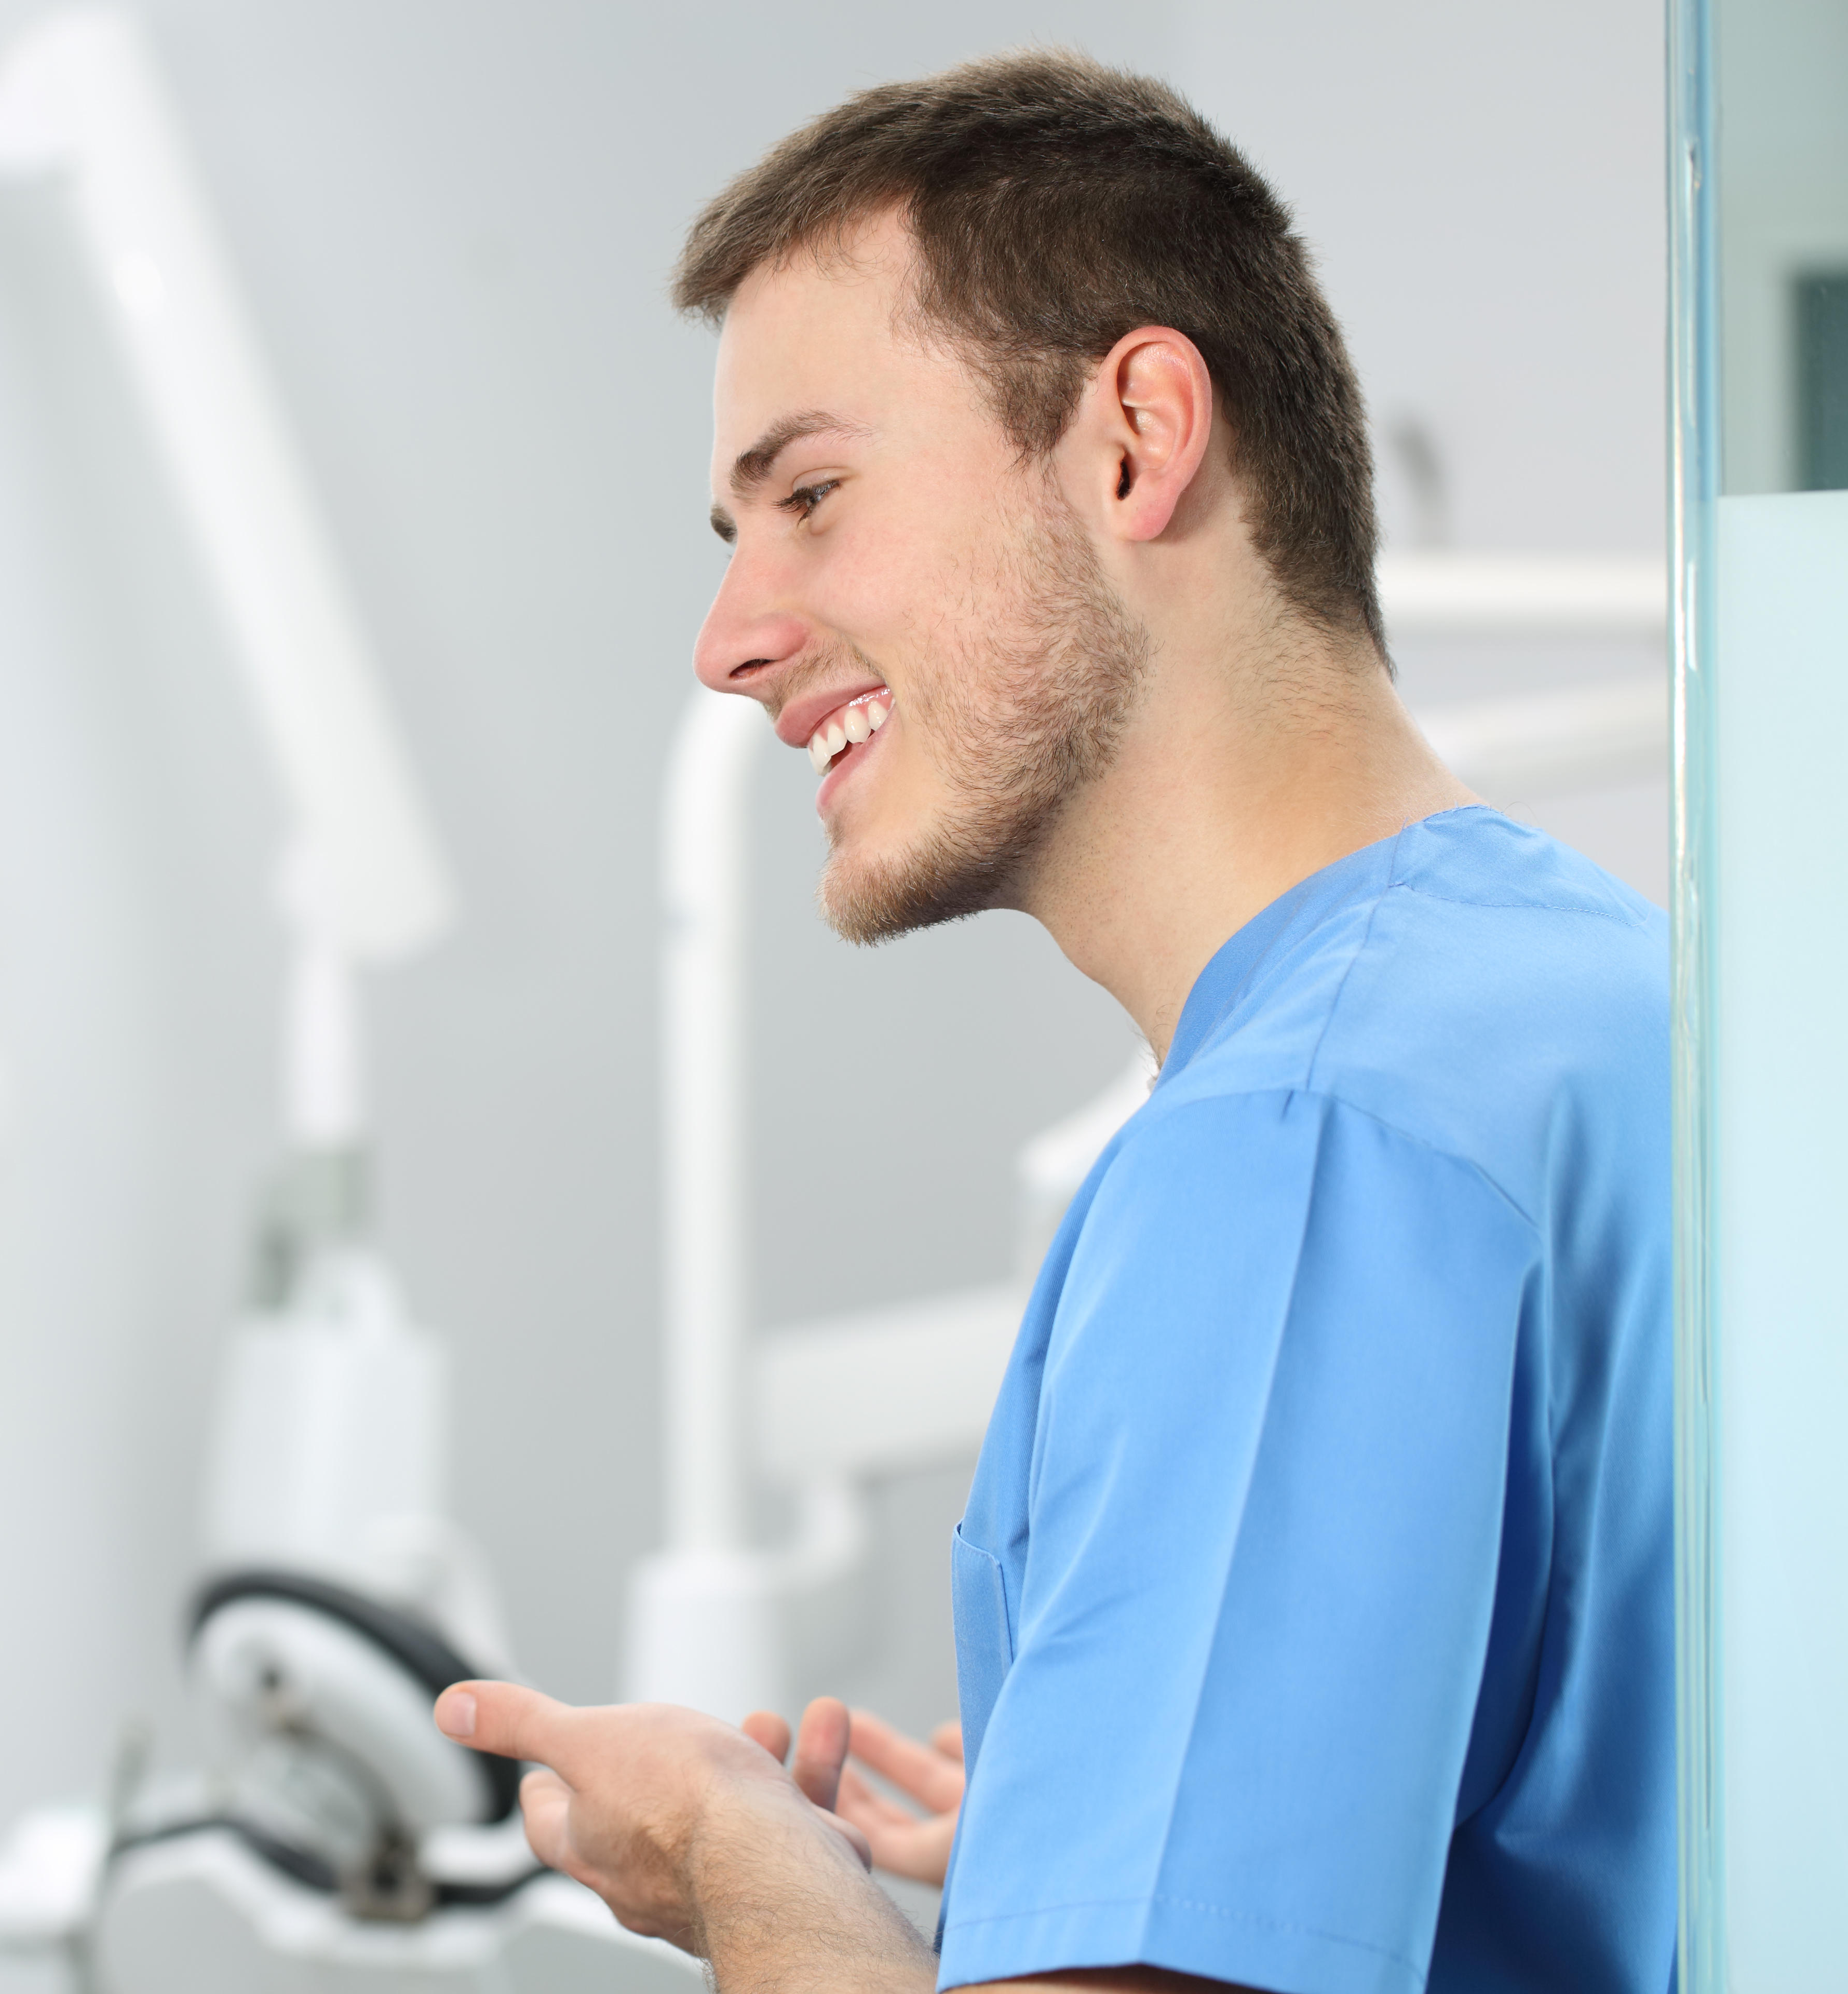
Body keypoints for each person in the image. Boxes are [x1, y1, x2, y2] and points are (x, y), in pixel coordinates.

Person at [434, 51, 1672, 1994]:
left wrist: (748, 1871)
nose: (731, 638)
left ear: (1132, 441)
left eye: (815, 495)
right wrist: (1075, 1844)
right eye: (731, 535)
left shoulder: (1301, 1145)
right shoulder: (1583, 986)